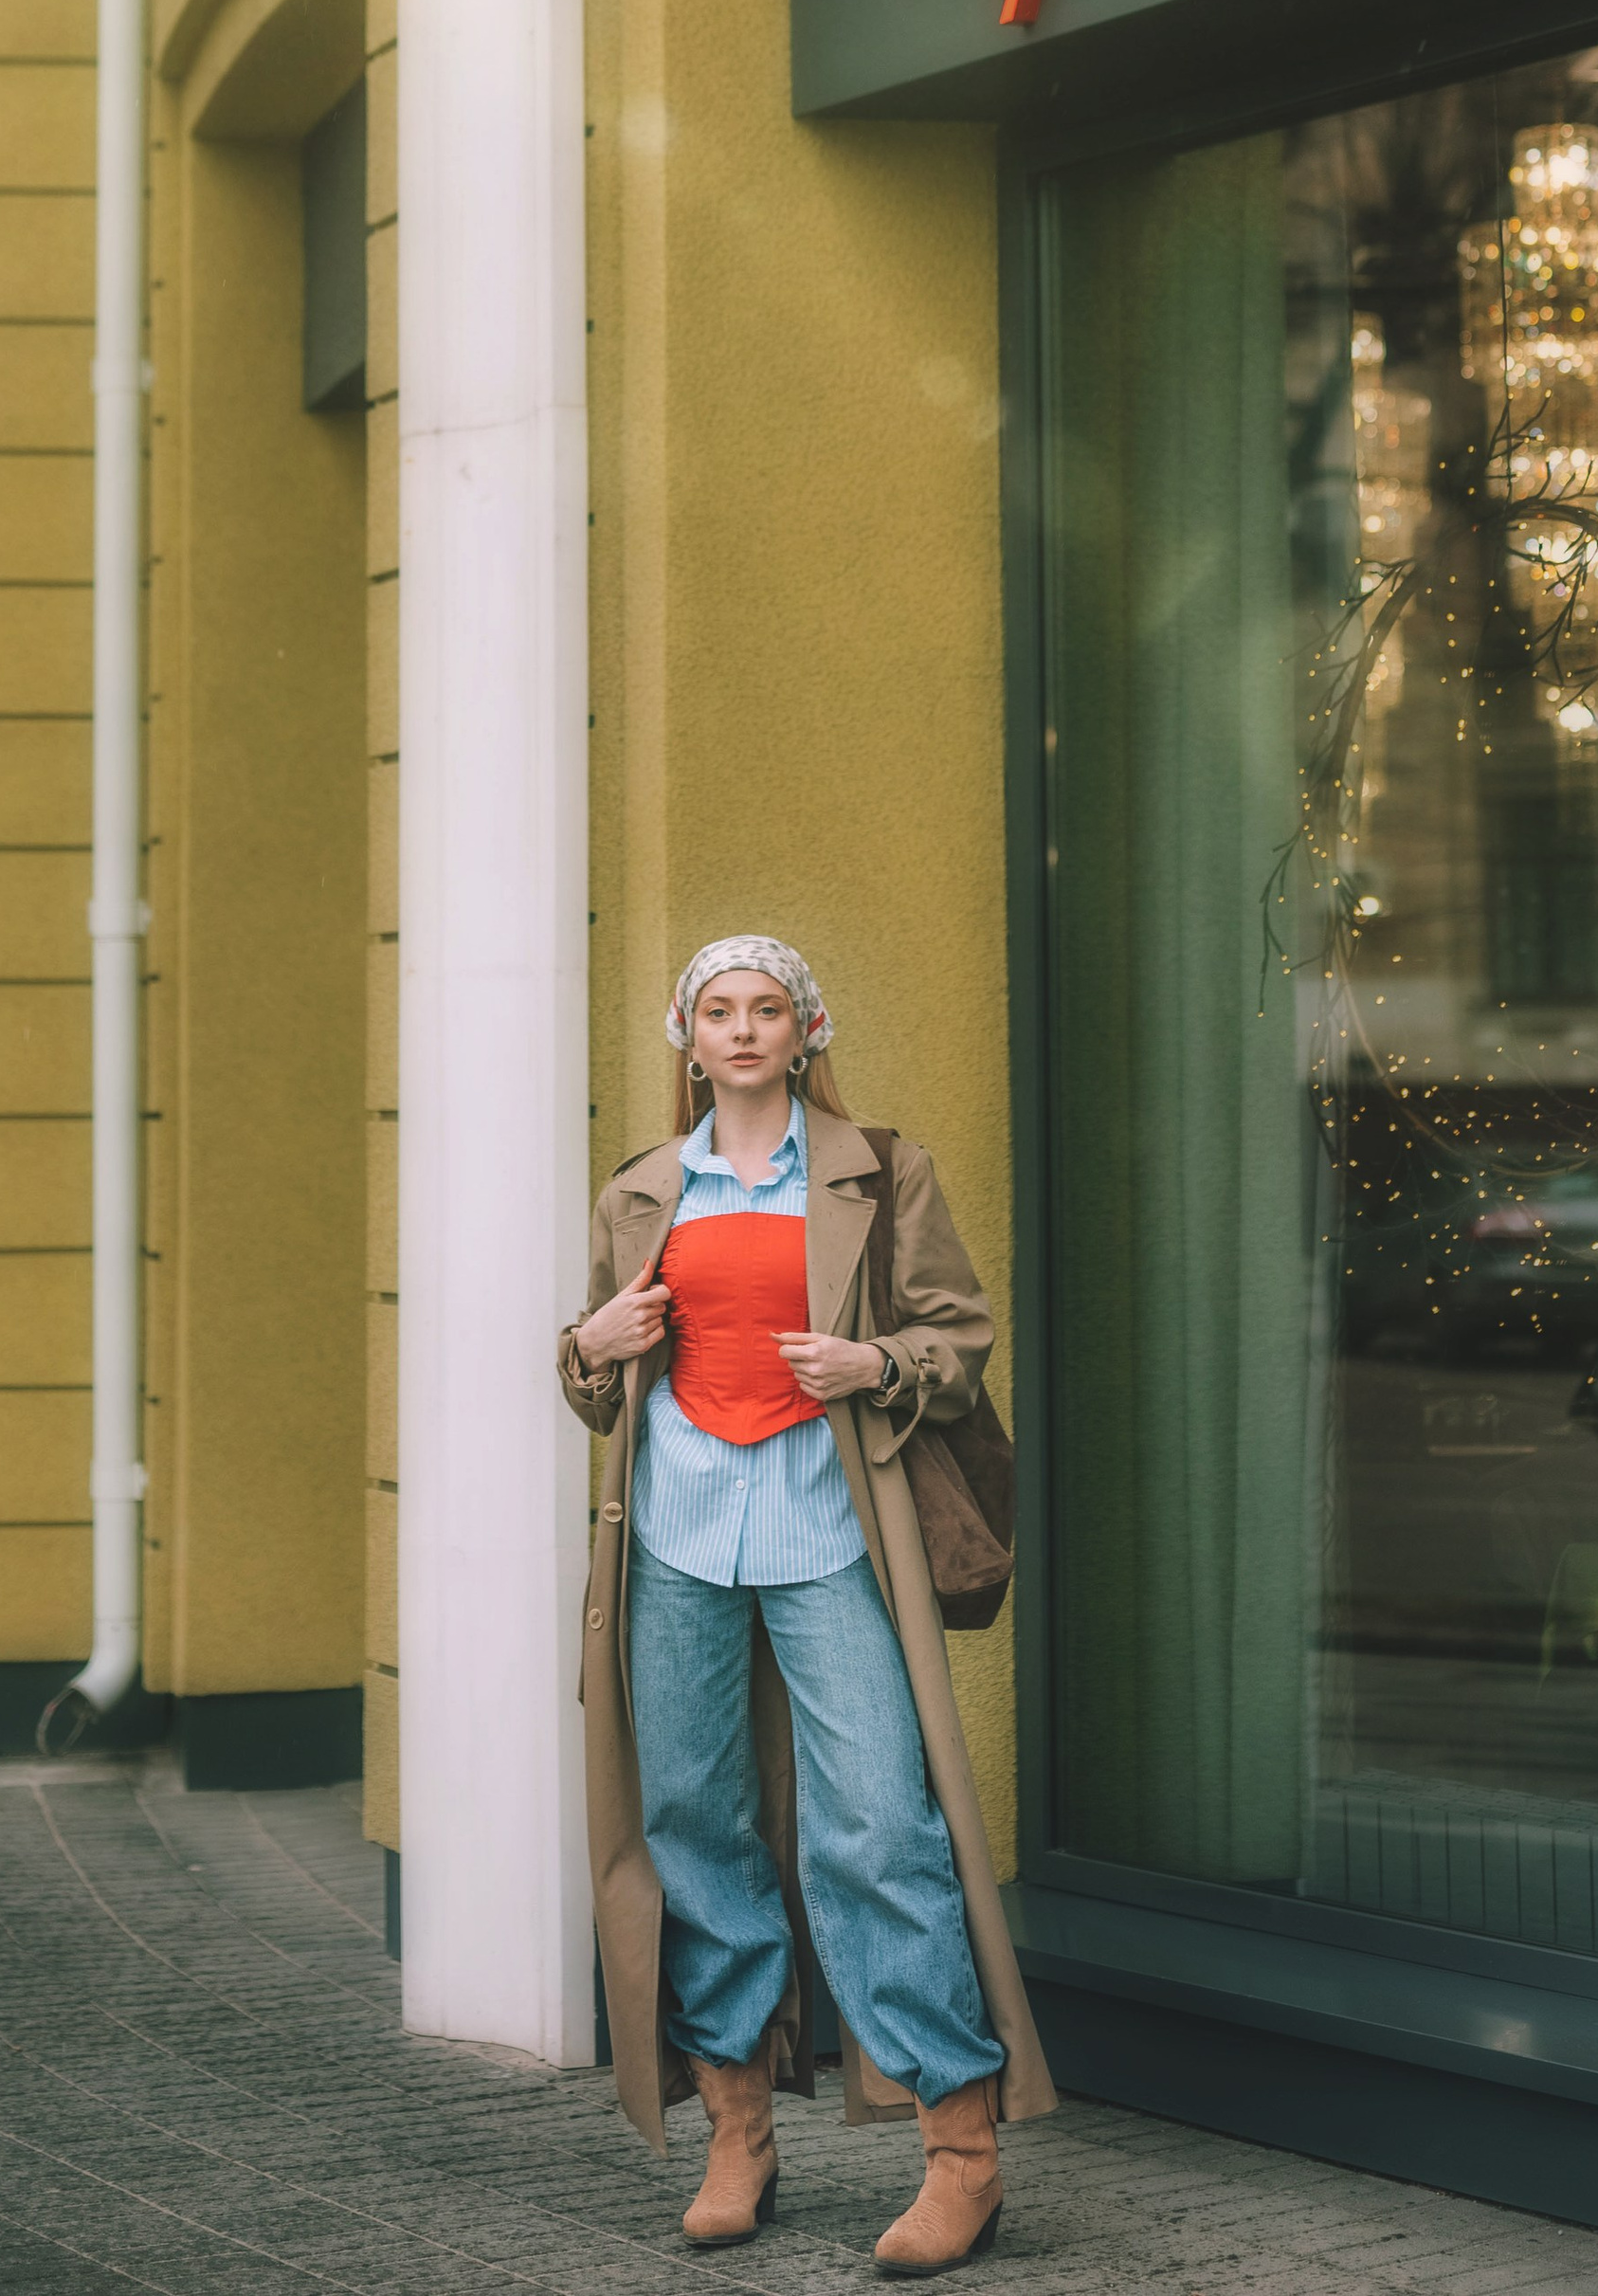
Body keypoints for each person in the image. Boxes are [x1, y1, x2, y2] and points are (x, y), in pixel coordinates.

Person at [559, 936, 1055, 2274]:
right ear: (687, 1035)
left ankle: (961, 2149)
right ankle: (737, 2128)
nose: (739, 1031)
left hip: (832, 1535)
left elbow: (959, 1337)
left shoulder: (878, 1172)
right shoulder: (642, 1189)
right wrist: (584, 1352)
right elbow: (603, 1371)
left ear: (804, 1027)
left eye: (764, 1009)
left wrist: (877, 1357)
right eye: (716, 1011)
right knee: (694, 1825)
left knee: (878, 1827)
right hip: (675, 1538)